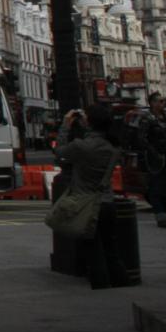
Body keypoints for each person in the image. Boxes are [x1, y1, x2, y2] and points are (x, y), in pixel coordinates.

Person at [56, 103, 127, 289]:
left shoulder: (82, 146)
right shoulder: (113, 145)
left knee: (93, 248)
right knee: (111, 247)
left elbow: (60, 152)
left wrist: (65, 125)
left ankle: (101, 284)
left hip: (87, 204)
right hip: (108, 201)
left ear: (90, 123)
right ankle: (120, 281)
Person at [137, 91, 166, 228]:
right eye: (160, 101)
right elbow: (142, 139)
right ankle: (161, 218)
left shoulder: (165, 118)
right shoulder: (147, 119)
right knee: (156, 188)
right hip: (157, 159)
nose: (163, 103)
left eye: (163, 101)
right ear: (153, 103)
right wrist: (154, 153)